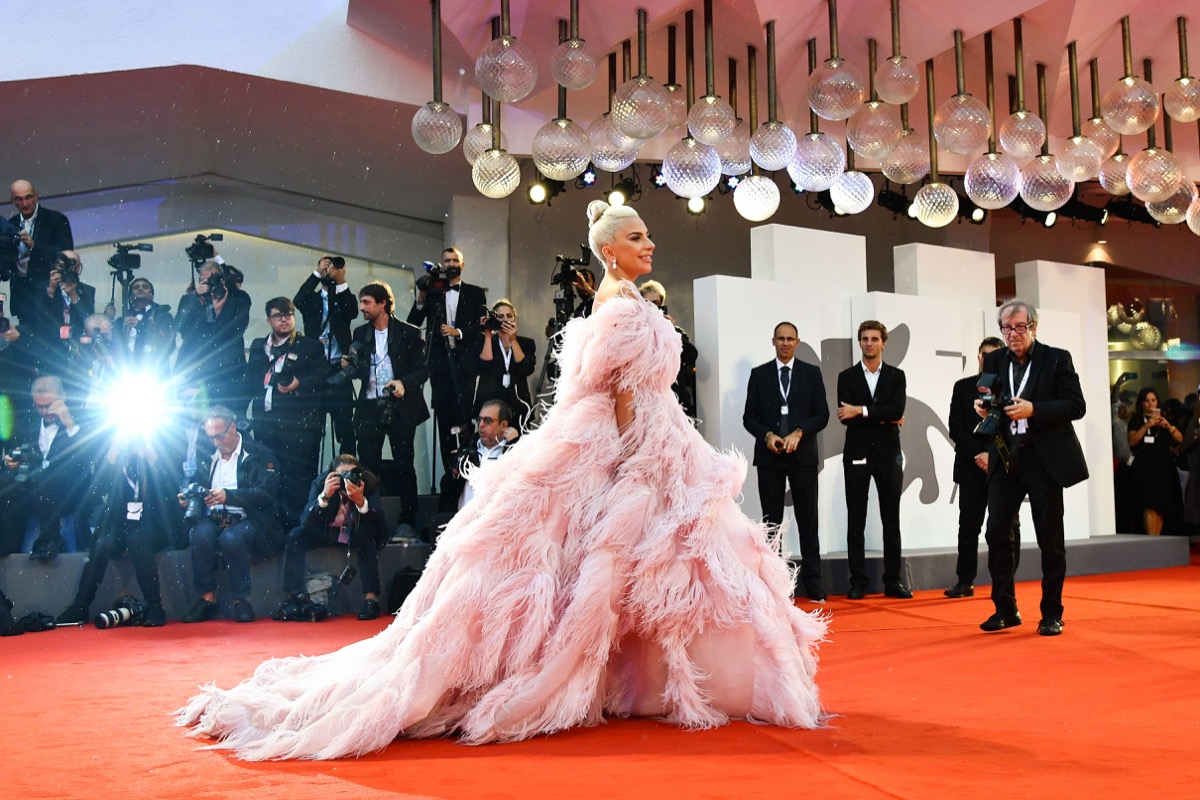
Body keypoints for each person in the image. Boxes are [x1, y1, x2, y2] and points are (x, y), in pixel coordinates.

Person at [178, 200, 825, 760]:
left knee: (623, 563)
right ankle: (629, 679)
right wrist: (636, 460)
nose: (649, 244)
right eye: (636, 237)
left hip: (641, 435)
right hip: (631, 441)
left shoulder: (618, 298)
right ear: (608, 249)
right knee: (621, 558)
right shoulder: (622, 303)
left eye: (647, 237)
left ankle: (629, 679)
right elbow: (625, 392)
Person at [976, 299, 1087, 637]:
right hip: (1005, 455)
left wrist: (1034, 409)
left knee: (1050, 538)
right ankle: (1005, 609)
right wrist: (983, 409)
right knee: (996, 532)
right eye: (1006, 328)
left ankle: (1052, 612)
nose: (1013, 334)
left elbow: (1076, 405)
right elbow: (987, 396)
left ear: (1034, 328)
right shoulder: (994, 359)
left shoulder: (1056, 359)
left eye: (1020, 327)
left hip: (1043, 458)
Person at [55, 436, 184, 627]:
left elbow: (173, 489)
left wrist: (152, 456)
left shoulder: (162, 447)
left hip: (153, 523)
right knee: (101, 545)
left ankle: (155, 606)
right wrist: (113, 454)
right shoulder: (115, 453)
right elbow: (95, 492)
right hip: (119, 524)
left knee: (138, 539)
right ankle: (80, 606)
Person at [742, 322, 829, 602]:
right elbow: (749, 417)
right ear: (773, 341)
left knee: (808, 522)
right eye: (780, 338)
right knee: (771, 523)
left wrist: (799, 432)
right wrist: (767, 435)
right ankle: (773, 585)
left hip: (802, 458)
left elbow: (822, 414)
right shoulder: (759, 375)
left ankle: (813, 584)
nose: (785, 343)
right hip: (770, 458)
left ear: (798, 342)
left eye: (790, 339)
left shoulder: (811, 374)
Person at [180, 406, 282, 624]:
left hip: (248, 518)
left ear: (233, 427)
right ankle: (207, 598)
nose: (216, 441)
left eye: (219, 435)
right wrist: (189, 495)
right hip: (213, 516)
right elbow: (192, 481)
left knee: (231, 538)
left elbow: (267, 494)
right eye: (211, 437)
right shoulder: (207, 454)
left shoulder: (258, 454)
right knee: (199, 534)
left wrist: (230, 496)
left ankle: (241, 600)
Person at [836, 320, 910, 599]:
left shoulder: (896, 376)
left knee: (892, 519)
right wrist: (883, 414)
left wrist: (863, 411)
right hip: (856, 453)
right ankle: (858, 581)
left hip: (889, 454)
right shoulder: (846, 376)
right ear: (859, 343)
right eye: (864, 339)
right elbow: (845, 415)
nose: (869, 343)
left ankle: (893, 581)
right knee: (856, 519)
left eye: (874, 339)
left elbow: (898, 408)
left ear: (884, 343)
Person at [350, 281, 429, 537]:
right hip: (370, 406)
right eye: (362, 302)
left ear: (383, 304)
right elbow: (359, 371)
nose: (362, 308)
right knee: (367, 466)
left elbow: (422, 369)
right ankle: (370, 519)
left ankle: (407, 522)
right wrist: (351, 365)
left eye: (367, 302)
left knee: (404, 464)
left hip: (400, 407)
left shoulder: (409, 333)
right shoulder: (360, 334)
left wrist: (404, 383)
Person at [244, 297, 326, 527]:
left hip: (297, 425)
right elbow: (249, 380)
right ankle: (272, 525)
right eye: (278, 316)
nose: (284, 320)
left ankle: (297, 526)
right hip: (265, 422)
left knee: (297, 477)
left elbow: (321, 378)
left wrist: (298, 383)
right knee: (269, 474)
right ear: (269, 319)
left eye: (288, 314)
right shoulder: (260, 346)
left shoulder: (310, 346)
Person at [277, 454, 388, 621]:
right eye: (342, 475)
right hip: (327, 532)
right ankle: (295, 596)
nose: (347, 479)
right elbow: (305, 522)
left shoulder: (369, 482)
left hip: (357, 532)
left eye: (352, 474)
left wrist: (360, 501)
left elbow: (379, 521)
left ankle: (371, 599)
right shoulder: (323, 482)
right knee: (295, 535)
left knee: (366, 535)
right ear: (332, 474)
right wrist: (325, 497)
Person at [407, 247, 487, 473]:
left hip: (466, 365)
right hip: (439, 365)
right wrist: (422, 296)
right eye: (446, 260)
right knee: (444, 417)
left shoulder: (475, 292)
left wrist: (457, 332)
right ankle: (448, 473)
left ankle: (470, 468)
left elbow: (480, 326)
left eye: (455, 260)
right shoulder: (434, 292)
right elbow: (413, 323)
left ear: (462, 265)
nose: (451, 264)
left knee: (466, 415)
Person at [944, 337, 1005, 598]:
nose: (987, 360)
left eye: (993, 355)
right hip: (971, 466)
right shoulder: (963, 387)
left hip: (1001, 467)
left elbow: (1012, 428)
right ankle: (965, 580)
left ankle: (1003, 582)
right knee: (968, 525)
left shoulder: (1010, 390)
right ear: (978, 357)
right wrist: (978, 454)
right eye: (984, 355)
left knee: (1004, 527)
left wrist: (992, 455)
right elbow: (955, 427)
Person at [294, 255, 358, 456]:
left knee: (346, 428)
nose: (329, 269)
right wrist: (316, 274)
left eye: (333, 267)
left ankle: (348, 473)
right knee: (313, 428)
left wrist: (341, 281)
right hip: (315, 369)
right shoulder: (312, 299)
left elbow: (353, 311)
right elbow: (298, 299)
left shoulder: (343, 298)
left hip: (339, 369)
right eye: (326, 265)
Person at [175, 259, 251, 412]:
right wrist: (197, 299)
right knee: (192, 421)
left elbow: (235, 331)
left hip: (228, 374)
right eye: (204, 280)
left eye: (212, 279)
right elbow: (180, 327)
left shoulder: (238, 300)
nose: (208, 283)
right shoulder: (190, 300)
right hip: (194, 371)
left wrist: (219, 310)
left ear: (221, 280)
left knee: (227, 419)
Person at [8, 179, 74, 324]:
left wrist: (34, 245)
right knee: (26, 341)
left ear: (36, 196)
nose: (25, 203)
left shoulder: (56, 220)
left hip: (49, 294)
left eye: (28, 197)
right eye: (19, 199)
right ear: (12, 201)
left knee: (51, 340)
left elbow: (67, 256)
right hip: (22, 296)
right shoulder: (11, 224)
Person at [1126, 387, 1182, 536]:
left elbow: (1179, 439)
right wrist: (1147, 425)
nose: (1150, 404)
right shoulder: (1137, 419)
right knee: (1149, 505)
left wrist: (1169, 427)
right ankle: (1152, 541)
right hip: (1145, 468)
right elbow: (1132, 441)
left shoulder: (1163, 419)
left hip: (1163, 468)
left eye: (1153, 400)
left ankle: (1157, 540)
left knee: (1161, 507)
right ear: (1141, 403)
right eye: (1147, 401)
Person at [474, 300, 536, 432]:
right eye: (500, 317)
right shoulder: (486, 341)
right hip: (491, 402)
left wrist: (513, 340)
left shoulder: (526, 343)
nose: (505, 320)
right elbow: (485, 366)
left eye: (509, 316)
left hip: (517, 403)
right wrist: (488, 334)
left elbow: (526, 369)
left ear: (515, 319)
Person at [640, 280, 699, 418]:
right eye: (647, 304)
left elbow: (692, 356)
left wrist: (670, 331)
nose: (652, 308)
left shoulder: (674, 332)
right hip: (647, 404)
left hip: (676, 402)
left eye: (656, 304)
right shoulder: (636, 333)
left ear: (662, 305)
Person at [119, 277, 175, 367]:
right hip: (125, 372)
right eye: (136, 287)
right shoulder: (121, 321)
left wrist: (141, 326)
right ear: (130, 296)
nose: (140, 289)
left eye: (145, 287)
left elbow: (168, 345)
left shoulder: (163, 316)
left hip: (155, 371)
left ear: (152, 295)